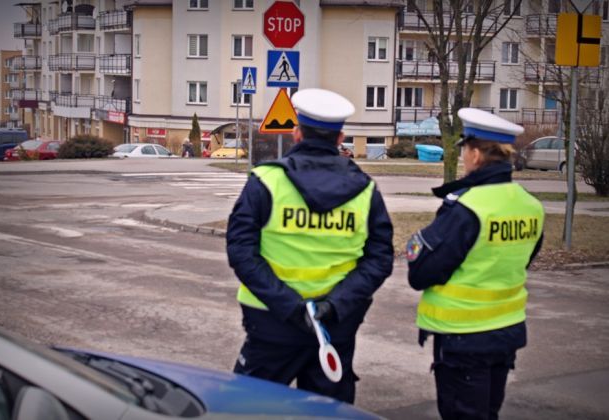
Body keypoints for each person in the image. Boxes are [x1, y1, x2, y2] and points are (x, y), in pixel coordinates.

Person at [226, 88, 394, 403]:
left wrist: (290, 307)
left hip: (271, 322)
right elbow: (380, 258)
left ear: (296, 132)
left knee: (245, 408)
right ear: (340, 136)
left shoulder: (266, 182)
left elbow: (240, 251)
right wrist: (335, 305)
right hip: (335, 326)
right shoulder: (366, 191)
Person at [405, 108, 545, 420]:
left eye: (465, 149)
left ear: (477, 154)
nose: (464, 157)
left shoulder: (468, 207)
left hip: (464, 337)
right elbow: (524, 258)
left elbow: (422, 273)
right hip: (505, 332)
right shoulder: (530, 204)